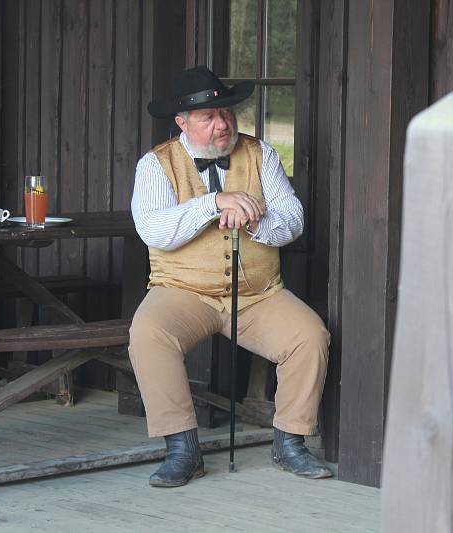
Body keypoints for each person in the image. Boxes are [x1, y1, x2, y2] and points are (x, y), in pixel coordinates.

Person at [129, 65, 331, 487]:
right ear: (183, 123)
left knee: (309, 336)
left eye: (226, 113)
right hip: (183, 290)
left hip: (258, 293)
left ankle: (290, 442)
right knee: (149, 334)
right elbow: (154, 230)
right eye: (209, 118)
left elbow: (293, 221)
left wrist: (254, 220)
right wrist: (213, 203)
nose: (222, 124)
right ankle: (182, 450)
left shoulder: (261, 154)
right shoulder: (155, 165)